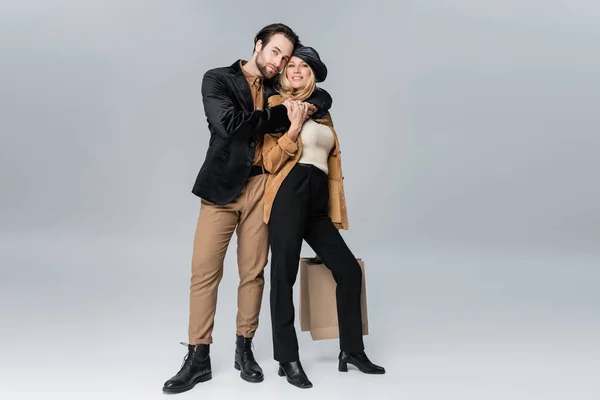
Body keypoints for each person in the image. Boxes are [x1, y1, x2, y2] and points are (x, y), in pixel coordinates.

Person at [162, 24, 333, 394]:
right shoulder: (218, 79)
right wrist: (284, 116)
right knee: (204, 273)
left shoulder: (278, 87)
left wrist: (309, 105)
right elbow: (230, 125)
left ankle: (244, 349)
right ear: (258, 46)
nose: (280, 63)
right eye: (275, 53)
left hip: (262, 186)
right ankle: (198, 358)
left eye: (286, 58)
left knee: (253, 272)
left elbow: (321, 95)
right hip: (221, 189)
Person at [261, 45, 385, 389]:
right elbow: (269, 162)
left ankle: (352, 351)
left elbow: (327, 155)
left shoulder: (322, 111)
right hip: (289, 191)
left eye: (304, 66)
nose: (297, 70)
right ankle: (287, 358)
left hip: (317, 199)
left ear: (311, 73)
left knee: (347, 270)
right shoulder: (275, 107)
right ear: (284, 72)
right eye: (292, 65)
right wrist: (292, 126)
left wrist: (308, 114)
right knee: (283, 276)